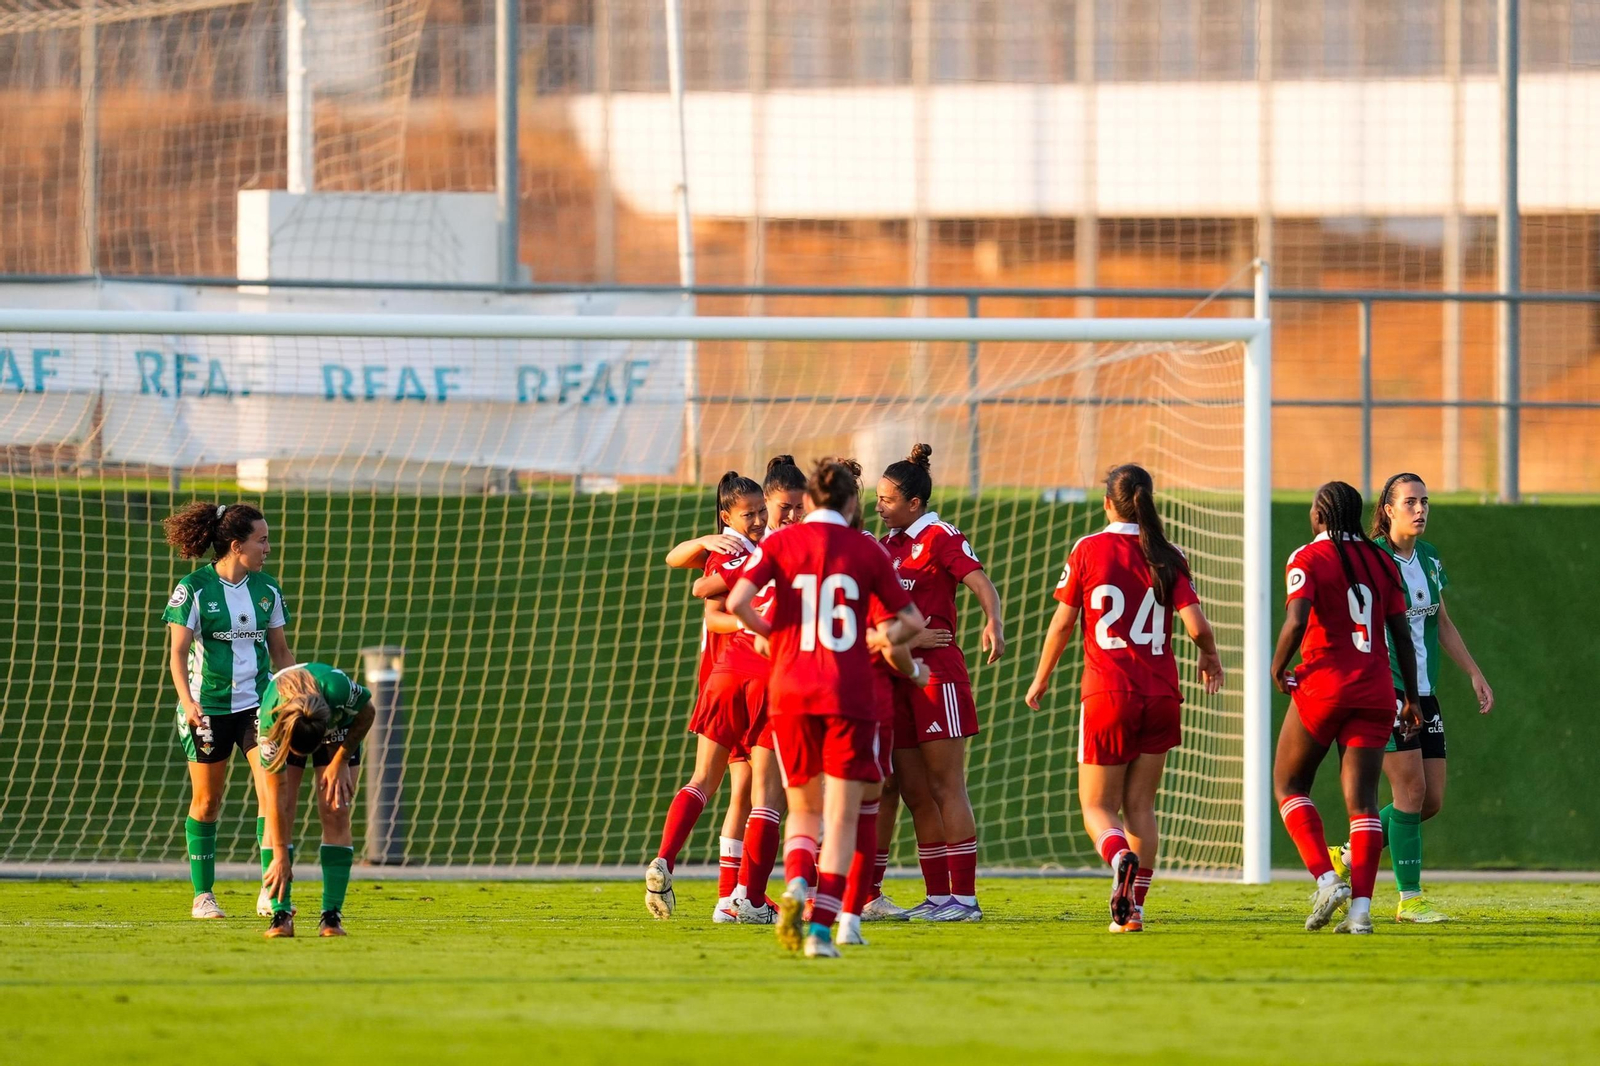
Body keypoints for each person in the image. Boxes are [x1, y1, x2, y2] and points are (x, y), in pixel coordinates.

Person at [727, 459, 927, 957]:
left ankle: (794, 884)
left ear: (810, 500)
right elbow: (912, 620)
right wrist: (881, 636)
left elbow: (737, 604)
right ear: (852, 503)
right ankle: (822, 930)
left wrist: (775, 637)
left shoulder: (778, 542)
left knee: (801, 811)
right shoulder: (866, 548)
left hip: (791, 691)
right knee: (840, 818)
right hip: (848, 693)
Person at [1025, 464, 1224, 931]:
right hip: (1160, 693)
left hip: (1108, 691)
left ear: (1108, 503)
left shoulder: (1090, 549)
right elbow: (1197, 626)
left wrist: (1041, 678)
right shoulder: (1169, 554)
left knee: (1097, 807)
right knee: (1141, 806)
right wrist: (1210, 657)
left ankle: (1119, 861)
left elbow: (1062, 623)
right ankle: (1133, 909)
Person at [1328, 472, 1495, 923]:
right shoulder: (1371, 559)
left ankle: (1345, 852)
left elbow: (1441, 621)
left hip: (1426, 694)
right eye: (1410, 502)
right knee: (1410, 789)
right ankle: (1411, 899)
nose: (1420, 510)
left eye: (1425, 502)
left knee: (1430, 799)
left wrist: (1474, 672)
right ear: (1387, 509)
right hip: (1388, 692)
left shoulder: (1431, 559)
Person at [1270, 481, 1420, 935]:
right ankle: (1360, 913)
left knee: (1289, 783)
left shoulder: (1307, 557)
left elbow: (1297, 619)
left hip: (1325, 685)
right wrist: (1409, 696)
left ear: (1320, 515)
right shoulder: (1381, 560)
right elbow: (1401, 633)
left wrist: (1278, 667)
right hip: (1375, 689)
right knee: (1365, 805)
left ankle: (1326, 877)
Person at [873, 443, 1005, 921]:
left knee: (948, 785)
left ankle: (965, 900)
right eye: (877, 498)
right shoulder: (885, 544)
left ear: (914, 503)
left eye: (887, 499)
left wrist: (993, 622)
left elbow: (980, 582)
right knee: (914, 793)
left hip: (938, 677)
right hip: (898, 676)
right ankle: (935, 898)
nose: (879, 506)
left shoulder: (940, 536)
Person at [160, 501, 292, 920]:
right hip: (208, 709)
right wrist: (188, 703)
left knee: (273, 794)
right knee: (207, 801)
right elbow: (177, 654)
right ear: (237, 545)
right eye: (262, 540)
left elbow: (281, 651)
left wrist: (293, 694)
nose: (268, 548)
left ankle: (270, 891)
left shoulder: (267, 590)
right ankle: (203, 896)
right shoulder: (193, 589)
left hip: (259, 706)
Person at [646, 471, 768, 919]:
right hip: (741, 676)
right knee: (759, 793)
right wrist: (760, 622)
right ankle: (746, 897)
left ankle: (714, 888)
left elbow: (679, 562)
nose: (758, 519)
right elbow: (706, 600)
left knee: (735, 791)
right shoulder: (737, 550)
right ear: (727, 517)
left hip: (723, 679)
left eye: (762, 511)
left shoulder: (749, 547)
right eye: (748, 513)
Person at [256, 663, 376, 938]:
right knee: (282, 808)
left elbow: (368, 712)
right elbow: (275, 799)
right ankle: (280, 915)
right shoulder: (269, 722)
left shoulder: (338, 689)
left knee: (336, 808)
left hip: (339, 733)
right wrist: (280, 857)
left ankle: (331, 916)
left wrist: (341, 759)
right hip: (287, 724)